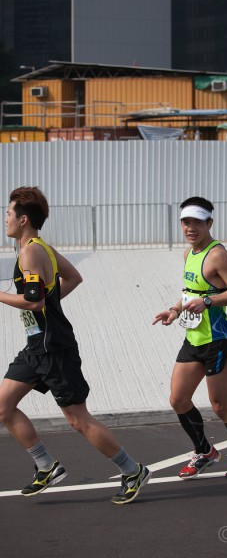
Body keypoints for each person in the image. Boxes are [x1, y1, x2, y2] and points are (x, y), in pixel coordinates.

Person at [0, 186, 151, 504]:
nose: (5, 219)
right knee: (3, 406)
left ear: (23, 219)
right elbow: (72, 279)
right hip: (36, 346)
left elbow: (34, 302)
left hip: (53, 347)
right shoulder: (42, 248)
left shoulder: (30, 253)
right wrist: (51, 305)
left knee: (77, 419)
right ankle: (46, 466)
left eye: (8, 213)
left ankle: (132, 470)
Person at [152, 197, 227, 479]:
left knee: (221, 406)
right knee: (178, 399)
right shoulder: (188, 254)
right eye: (186, 222)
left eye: (197, 222)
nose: (191, 228)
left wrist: (209, 302)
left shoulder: (217, 255)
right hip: (193, 339)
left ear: (209, 223)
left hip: (218, 341)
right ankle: (205, 451)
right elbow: (191, 292)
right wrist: (174, 310)